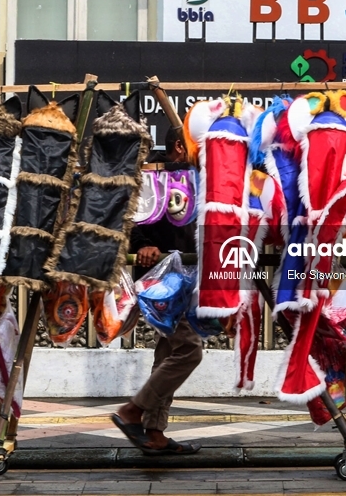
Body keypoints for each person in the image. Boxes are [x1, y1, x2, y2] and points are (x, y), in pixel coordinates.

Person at [112, 126, 202, 455]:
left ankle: (154, 432)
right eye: (196, 145)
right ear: (180, 145)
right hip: (160, 279)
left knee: (168, 353)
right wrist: (145, 244)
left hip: (183, 279)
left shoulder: (193, 177)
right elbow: (135, 219)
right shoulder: (154, 174)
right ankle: (132, 411)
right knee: (189, 351)